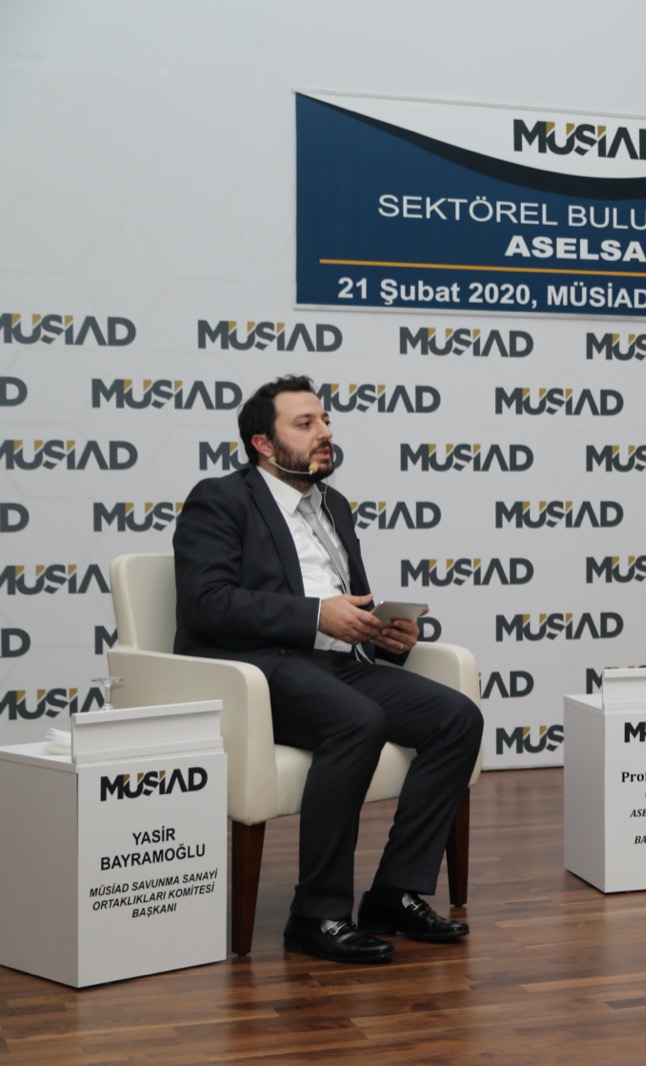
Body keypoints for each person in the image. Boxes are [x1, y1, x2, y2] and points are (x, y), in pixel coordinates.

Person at [172, 375, 483, 963]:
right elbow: (204, 604)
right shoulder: (221, 498)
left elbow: (350, 606)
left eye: (325, 421)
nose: (325, 432)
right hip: (258, 667)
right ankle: (316, 915)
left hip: (338, 664)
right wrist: (317, 615)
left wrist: (386, 634)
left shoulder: (334, 506)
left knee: (457, 718)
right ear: (263, 444)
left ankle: (393, 893)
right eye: (305, 423)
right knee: (357, 721)